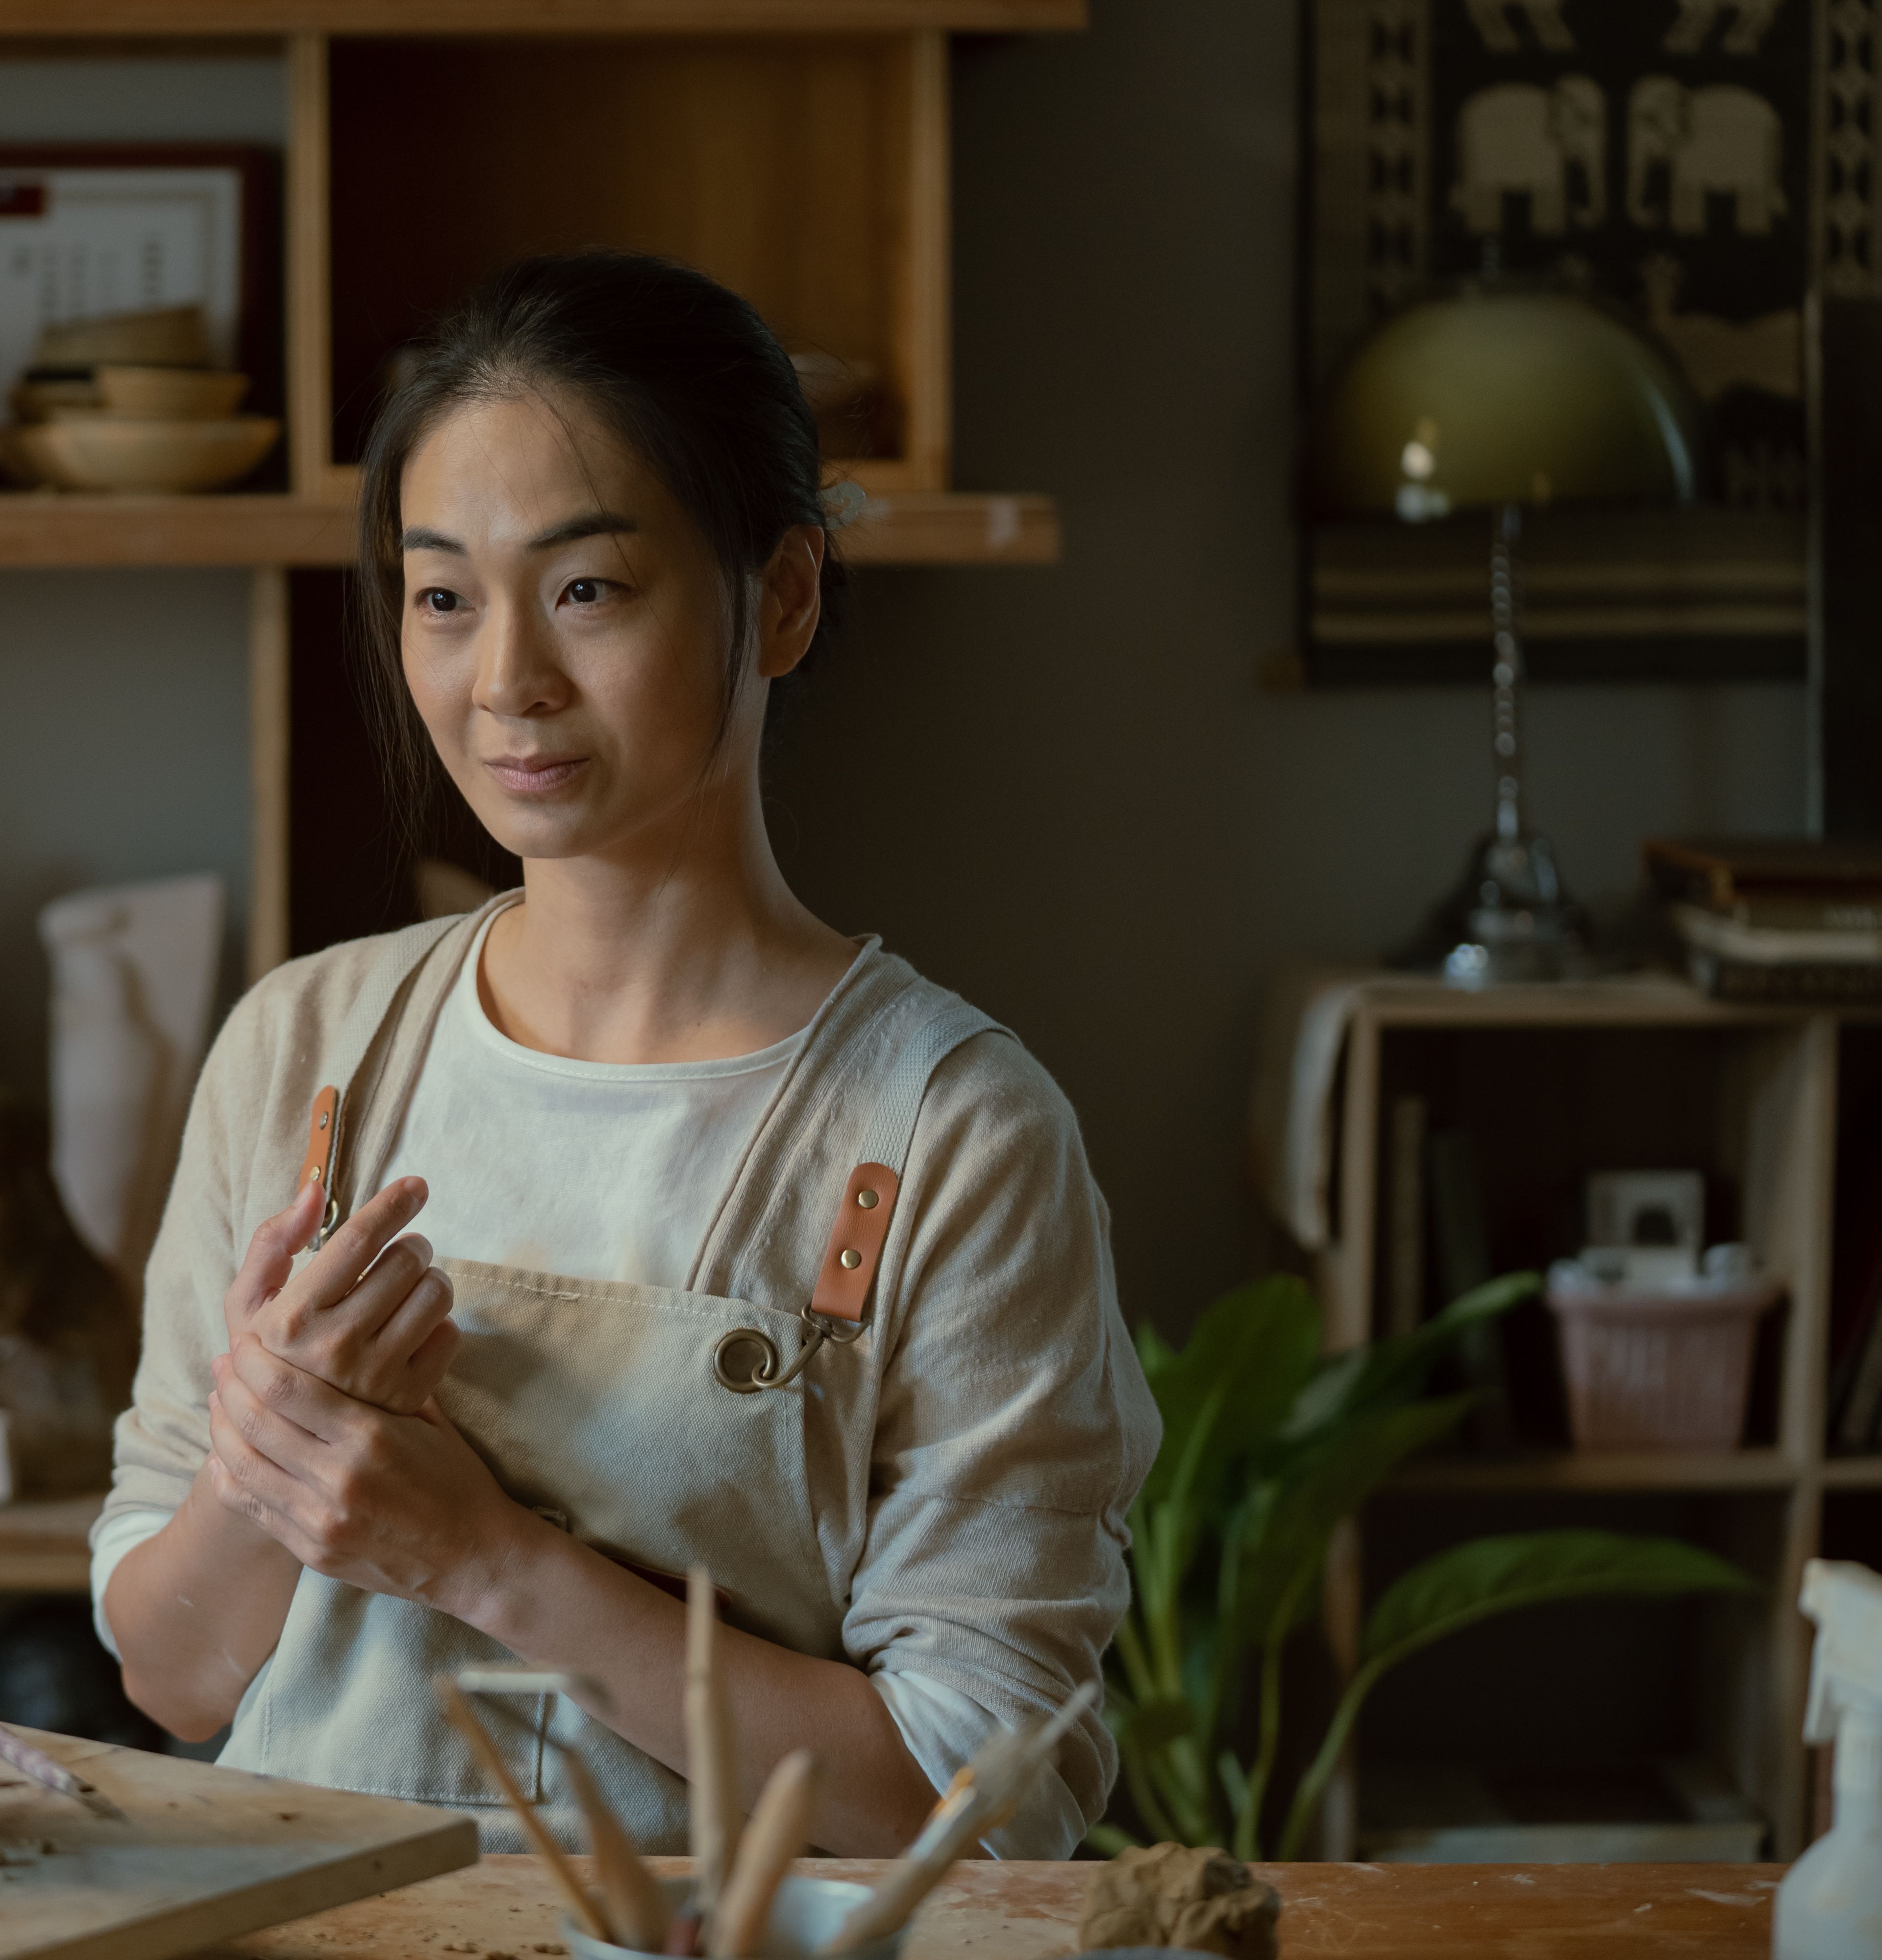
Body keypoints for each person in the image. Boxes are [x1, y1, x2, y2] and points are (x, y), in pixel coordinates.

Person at [92, 251, 1159, 1860]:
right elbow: (172, 1676)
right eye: (443, 596)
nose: (504, 677)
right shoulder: (305, 1052)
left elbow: (978, 1804)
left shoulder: (950, 1132)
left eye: (587, 589)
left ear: (780, 597)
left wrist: (486, 1559)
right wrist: (268, 1459)